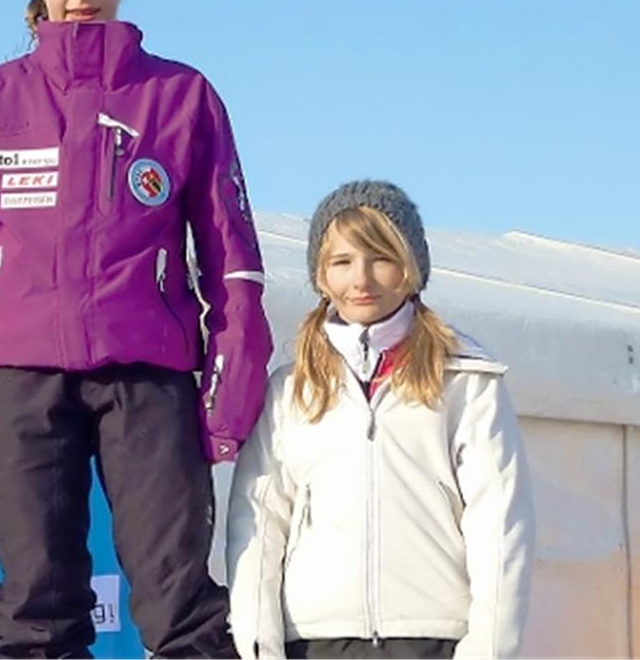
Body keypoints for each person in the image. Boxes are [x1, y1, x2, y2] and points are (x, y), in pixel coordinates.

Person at [0, 0, 273, 658]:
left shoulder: (182, 97)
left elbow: (232, 262)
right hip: (22, 380)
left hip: (149, 378)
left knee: (180, 600)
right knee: (36, 604)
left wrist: (228, 394)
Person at [226, 180, 534, 659]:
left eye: (381, 258)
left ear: (411, 269)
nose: (361, 279)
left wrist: (488, 650)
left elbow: (500, 525)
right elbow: (259, 521)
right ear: (321, 275)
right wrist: (258, 646)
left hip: (431, 637)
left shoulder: (466, 382)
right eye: (342, 262)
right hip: (315, 639)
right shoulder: (291, 389)